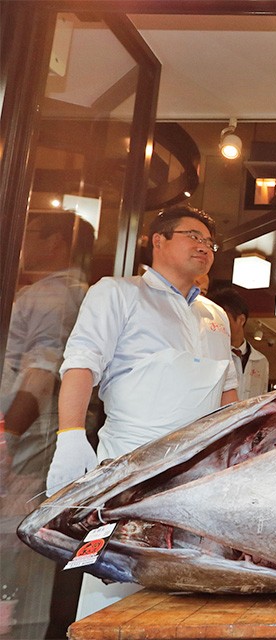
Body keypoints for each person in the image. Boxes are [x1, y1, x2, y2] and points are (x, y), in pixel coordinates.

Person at [45, 204, 238, 619]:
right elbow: (81, 365)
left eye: (210, 242)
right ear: (159, 241)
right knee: (109, 582)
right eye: (193, 236)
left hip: (198, 474)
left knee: (186, 592)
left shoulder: (216, 315)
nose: (204, 247)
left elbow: (228, 392)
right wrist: (70, 435)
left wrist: (233, 459)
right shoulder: (117, 292)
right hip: (127, 463)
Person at [1, 211, 93, 639]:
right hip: (41, 434)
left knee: (18, 538)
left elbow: (40, 371)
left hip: (32, 434)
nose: (23, 242)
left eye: (32, 233)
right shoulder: (78, 294)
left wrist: (8, 435)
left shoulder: (51, 295)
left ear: (58, 241)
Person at [208, 288, 269, 401]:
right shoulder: (211, 354)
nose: (220, 324)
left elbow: (262, 396)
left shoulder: (261, 361)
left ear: (241, 320)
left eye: (224, 319)